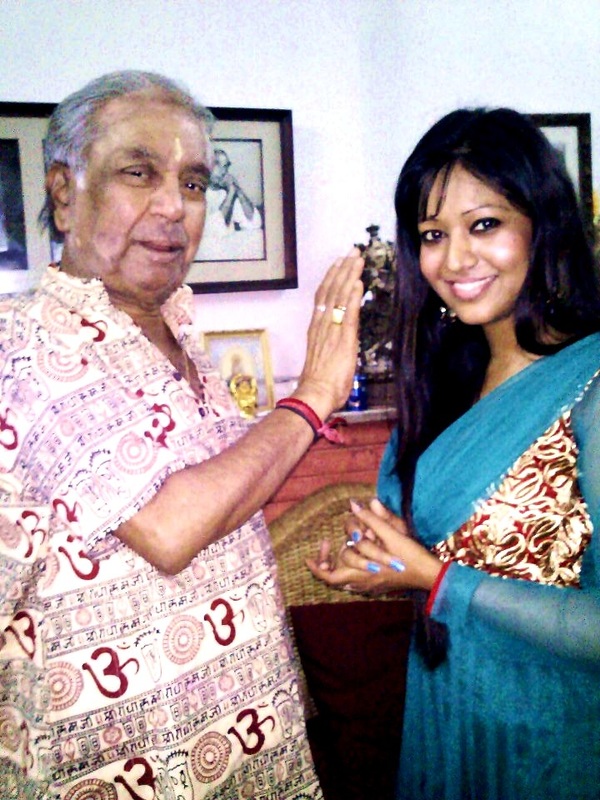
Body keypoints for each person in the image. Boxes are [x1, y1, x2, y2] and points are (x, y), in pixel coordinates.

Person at [0, 70, 364, 799]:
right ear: (65, 193)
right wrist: (315, 396)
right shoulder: (24, 339)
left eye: (194, 184)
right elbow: (170, 526)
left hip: (245, 747)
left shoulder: (177, 329)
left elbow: (228, 502)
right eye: (139, 172)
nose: (174, 207)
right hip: (110, 766)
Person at [308, 107, 600, 800]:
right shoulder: (443, 379)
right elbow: (449, 541)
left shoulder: (591, 384)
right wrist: (385, 562)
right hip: (447, 710)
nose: (455, 260)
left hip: (557, 742)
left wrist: (435, 580)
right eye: (433, 235)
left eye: (485, 225)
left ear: (544, 223)